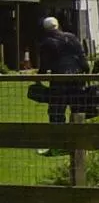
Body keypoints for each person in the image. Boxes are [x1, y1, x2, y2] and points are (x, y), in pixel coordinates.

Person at [36, 16, 87, 145]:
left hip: (59, 79)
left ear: (45, 29)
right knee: (77, 109)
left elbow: (44, 65)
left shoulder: (47, 43)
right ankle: (77, 141)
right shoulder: (72, 37)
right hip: (76, 78)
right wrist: (86, 71)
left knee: (56, 111)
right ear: (58, 25)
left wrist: (38, 79)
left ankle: (59, 142)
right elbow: (82, 57)